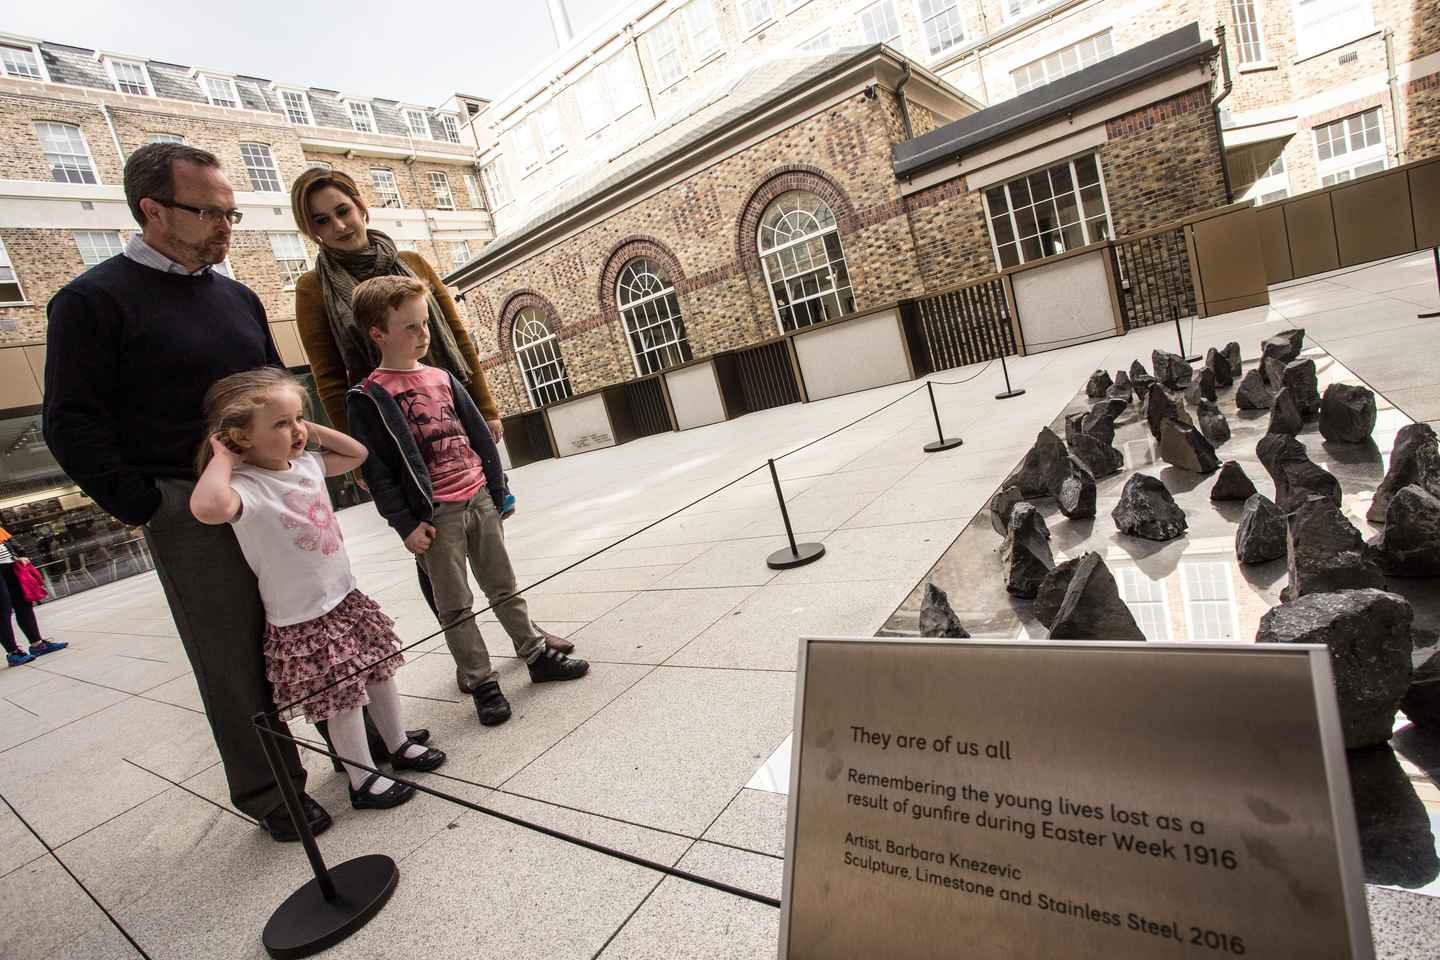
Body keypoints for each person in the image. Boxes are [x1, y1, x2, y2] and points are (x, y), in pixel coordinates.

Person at [43, 142, 324, 841]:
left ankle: (356, 745)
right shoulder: (89, 302)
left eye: (232, 212)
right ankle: (273, 791)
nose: (227, 226)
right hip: (186, 504)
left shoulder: (237, 295)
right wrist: (146, 504)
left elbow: (272, 386)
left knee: (316, 618)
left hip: (274, 491)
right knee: (231, 654)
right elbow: (69, 422)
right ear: (153, 210)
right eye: (209, 212)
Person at [287, 167, 573, 672]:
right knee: (431, 545)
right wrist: (358, 453)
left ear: (361, 207)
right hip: (388, 429)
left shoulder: (413, 262)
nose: (338, 226)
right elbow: (329, 375)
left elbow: (458, 340)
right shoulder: (314, 289)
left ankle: (522, 630)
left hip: (445, 408)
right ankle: (470, 659)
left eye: (342, 211)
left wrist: (484, 408)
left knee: (486, 539)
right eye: (321, 220)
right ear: (310, 230)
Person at [190, 368, 445, 808]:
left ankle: (398, 742)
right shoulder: (244, 488)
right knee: (343, 700)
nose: (296, 430)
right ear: (241, 437)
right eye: (280, 424)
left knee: (381, 675)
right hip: (304, 618)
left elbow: (357, 452)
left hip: (345, 599)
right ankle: (362, 779)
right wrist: (223, 457)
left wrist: (304, 425)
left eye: (298, 418)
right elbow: (207, 507)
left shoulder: (307, 464)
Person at [345, 276, 589, 726]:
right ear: (377, 333)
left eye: (425, 324)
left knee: (503, 585)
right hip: (435, 516)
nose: (423, 335)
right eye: (410, 327)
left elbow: (478, 436)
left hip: (478, 499)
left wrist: (498, 492)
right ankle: (482, 683)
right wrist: (406, 525)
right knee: (455, 605)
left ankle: (536, 655)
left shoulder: (442, 377)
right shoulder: (369, 397)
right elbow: (377, 472)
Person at [0, 525, 66, 666]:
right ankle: (13, 653)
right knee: (2, 609)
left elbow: (8, 539)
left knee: (24, 603)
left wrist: (20, 554)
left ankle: (38, 645)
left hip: (10, 564)